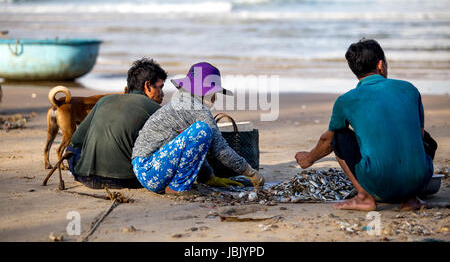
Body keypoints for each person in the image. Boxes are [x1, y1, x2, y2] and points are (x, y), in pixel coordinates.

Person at [295, 39, 437, 211]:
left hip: (378, 182)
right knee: (423, 137)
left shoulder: (346, 100)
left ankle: (364, 197)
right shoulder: (410, 89)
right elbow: (419, 136)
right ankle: (411, 198)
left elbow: (327, 142)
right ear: (380, 65)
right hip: (419, 181)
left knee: (339, 136)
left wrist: (308, 159)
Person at [131, 62, 265, 194]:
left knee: (201, 134)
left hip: (145, 169)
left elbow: (195, 148)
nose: (215, 98)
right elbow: (221, 150)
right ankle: (177, 188)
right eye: (214, 93)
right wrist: (252, 173)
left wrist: (209, 177)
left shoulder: (183, 102)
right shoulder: (197, 108)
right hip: (149, 169)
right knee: (203, 130)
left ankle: (191, 180)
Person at [67, 58, 168, 189]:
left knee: (72, 149)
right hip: (126, 181)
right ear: (147, 85)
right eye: (160, 88)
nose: (163, 94)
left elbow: (76, 140)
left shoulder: (104, 101)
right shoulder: (155, 109)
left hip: (86, 177)